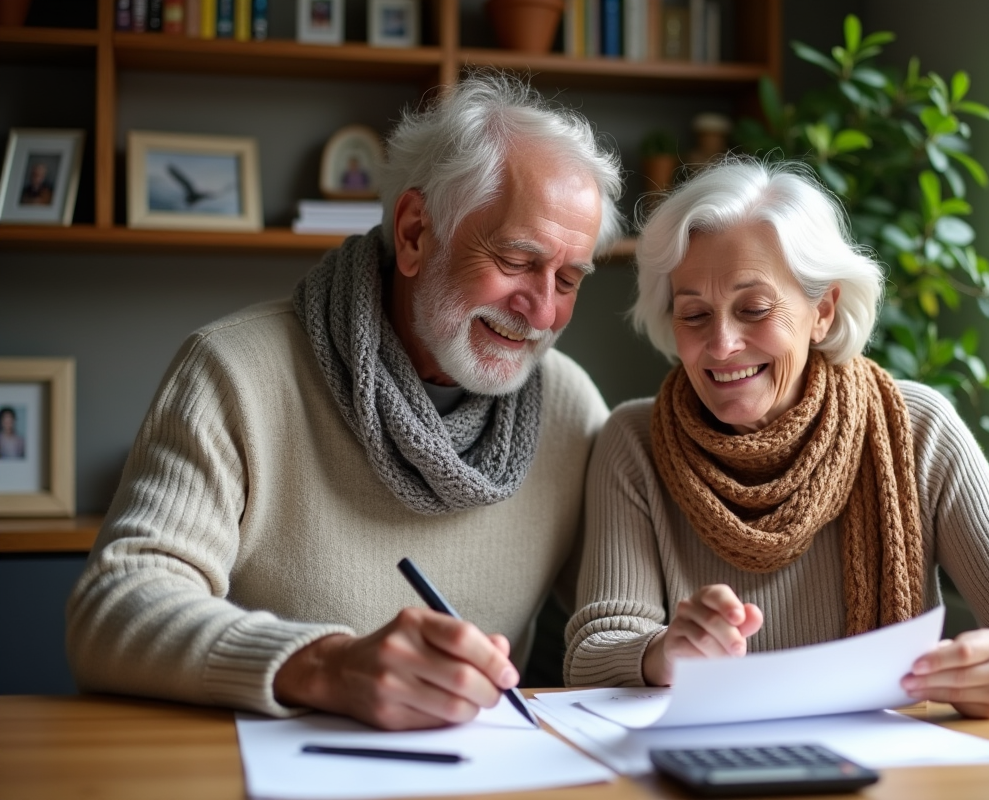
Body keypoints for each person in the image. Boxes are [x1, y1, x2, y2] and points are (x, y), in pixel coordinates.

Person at [67, 72, 624, 731]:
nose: (542, 310)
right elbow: (113, 608)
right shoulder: (234, 371)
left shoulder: (569, 406)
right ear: (416, 232)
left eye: (568, 278)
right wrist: (323, 666)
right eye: (515, 259)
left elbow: (622, 614)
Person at [564, 159, 989, 718]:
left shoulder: (917, 429)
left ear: (822, 311)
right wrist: (662, 653)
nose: (722, 343)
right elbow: (592, 652)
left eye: (753, 309)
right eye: (694, 314)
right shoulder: (634, 441)